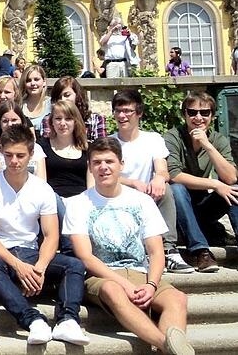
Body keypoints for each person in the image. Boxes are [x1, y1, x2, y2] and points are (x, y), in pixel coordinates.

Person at [64, 138, 194, 355]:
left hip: (141, 273)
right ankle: (168, 346)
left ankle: (169, 348)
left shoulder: (142, 201)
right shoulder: (78, 203)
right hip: (102, 276)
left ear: (121, 165)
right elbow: (86, 257)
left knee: (177, 298)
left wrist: (151, 284)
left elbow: (155, 251)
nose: (103, 167)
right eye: (97, 162)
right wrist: (124, 284)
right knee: (113, 290)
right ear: (90, 167)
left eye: (109, 161)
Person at [0, 125, 90, 346]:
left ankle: (67, 320)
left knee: (74, 265)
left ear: (31, 155)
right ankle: (33, 319)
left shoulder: (42, 189)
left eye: (20, 155)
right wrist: (19, 266)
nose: (14, 161)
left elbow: (51, 235)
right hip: (2, 254)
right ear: (1, 153)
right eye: (8, 155)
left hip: (32, 253)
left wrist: (39, 269)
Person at [110, 89, 194, 273]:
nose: (122, 116)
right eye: (118, 111)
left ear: (139, 113)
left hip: (148, 195)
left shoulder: (153, 139)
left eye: (127, 111)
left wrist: (158, 178)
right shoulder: (109, 143)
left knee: (168, 188)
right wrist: (133, 183)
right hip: (120, 196)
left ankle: (168, 249)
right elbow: (107, 176)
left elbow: (163, 169)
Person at [166, 92, 238, 272]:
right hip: (178, 212)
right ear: (185, 115)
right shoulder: (173, 137)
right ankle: (201, 252)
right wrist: (214, 184)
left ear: (212, 116)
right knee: (177, 188)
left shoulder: (218, 140)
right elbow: (174, 175)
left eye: (204, 113)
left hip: (203, 207)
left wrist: (208, 146)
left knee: (234, 189)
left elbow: (230, 178)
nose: (198, 118)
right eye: (192, 112)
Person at [38, 100, 89, 199]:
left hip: (81, 200)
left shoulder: (87, 149)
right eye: (58, 118)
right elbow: (41, 184)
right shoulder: (42, 146)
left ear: (75, 121)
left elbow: (91, 186)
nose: (62, 123)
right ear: (51, 122)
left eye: (68, 119)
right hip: (53, 201)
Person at [0, 102, 47, 180]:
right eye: (5, 121)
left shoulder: (36, 148)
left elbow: (42, 181)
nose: (10, 124)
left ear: (22, 122)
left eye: (14, 120)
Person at [40, 76, 108, 141]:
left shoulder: (96, 120)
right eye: (59, 97)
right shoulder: (48, 120)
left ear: (77, 95)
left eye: (67, 95)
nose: (63, 100)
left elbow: (102, 148)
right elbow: (46, 147)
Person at [20, 64, 51, 130]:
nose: (33, 83)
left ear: (44, 82)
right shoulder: (19, 106)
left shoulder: (52, 104)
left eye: (36, 79)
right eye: (28, 80)